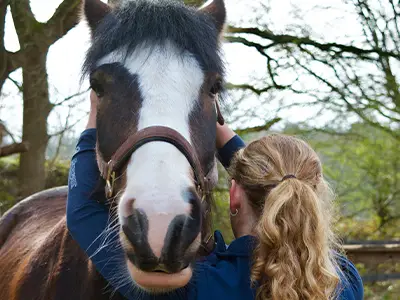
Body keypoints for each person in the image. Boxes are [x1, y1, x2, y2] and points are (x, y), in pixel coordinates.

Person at [66, 91, 363, 300]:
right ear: (313, 198)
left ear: (234, 196)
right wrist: (231, 145)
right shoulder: (345, 279)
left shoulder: (198, 287)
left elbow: (82, 214)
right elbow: (280, 181)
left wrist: (93, 121)